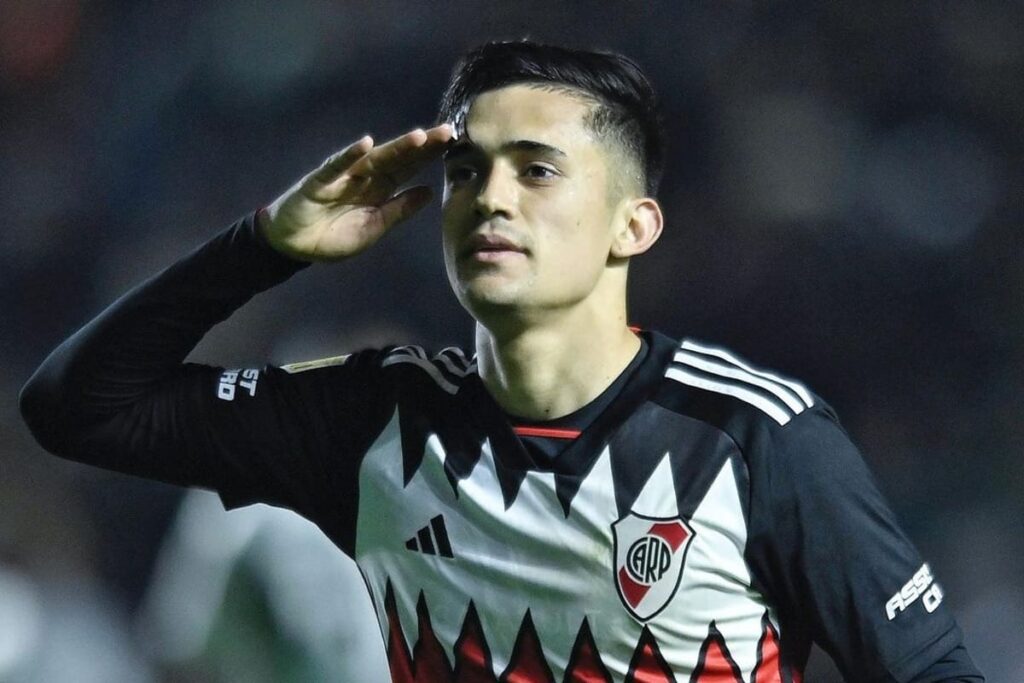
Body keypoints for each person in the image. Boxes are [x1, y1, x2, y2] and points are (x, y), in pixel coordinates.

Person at [20, 40, 983, 682]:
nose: (491, 198)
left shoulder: (755, 437)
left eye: (537, 169)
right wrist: (265, 243)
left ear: (633, 224)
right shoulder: (374, 421)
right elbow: (76, 407)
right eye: (466, 170)